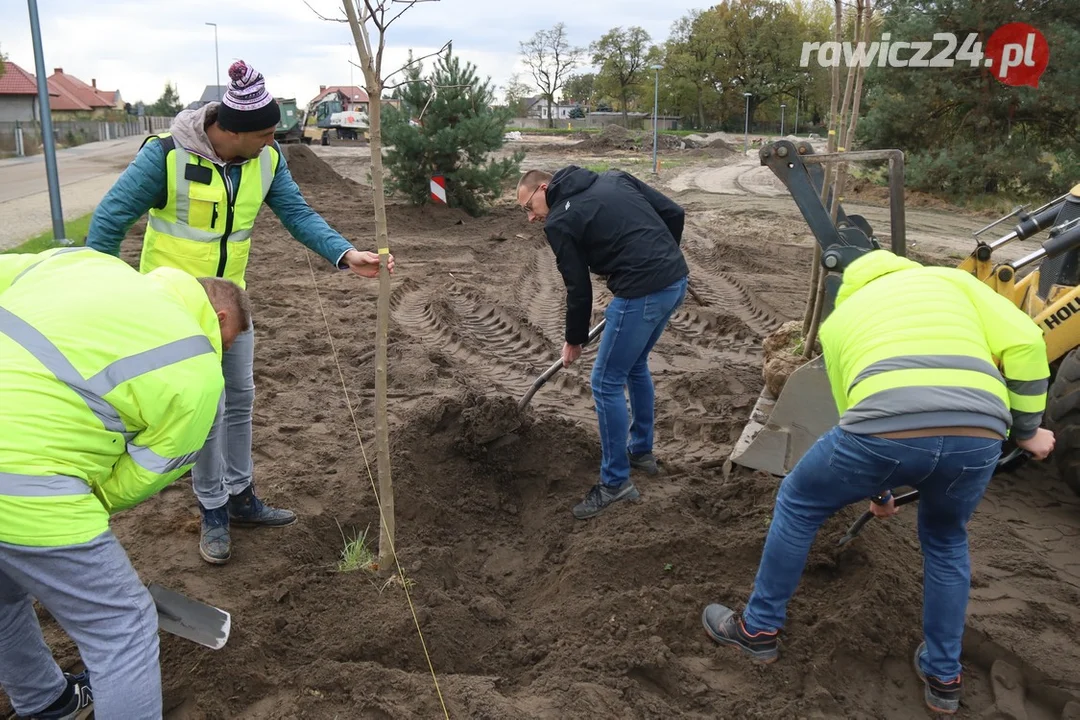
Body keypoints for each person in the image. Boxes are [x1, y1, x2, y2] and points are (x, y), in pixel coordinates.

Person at [699, 250, 1055, 715]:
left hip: (884, 430)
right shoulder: (952, 283)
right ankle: (944, 677)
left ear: (850, 288)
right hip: (981, 431)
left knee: (799, 501)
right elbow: (1027, 341)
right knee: (946, 541)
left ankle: (759, 630)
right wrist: (1026, 430)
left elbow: (855, 419)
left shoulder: (840, 322)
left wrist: (880, 489)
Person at [86, 60, 394, 565]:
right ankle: (213, 510)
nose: (274, 142)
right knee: (205, 410)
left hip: (233, 303)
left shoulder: (266, 161)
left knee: (241, 399)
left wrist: (344, 253)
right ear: (230, 130)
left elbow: (296, 213)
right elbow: (110, 219)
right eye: (266, 134)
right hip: (175, 311)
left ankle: (241, 496)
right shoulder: (164, 158)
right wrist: (101, 288)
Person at [0, 246, 250, 719]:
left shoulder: (83, 264)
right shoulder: (198, 371)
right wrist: (86, 505)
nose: (225, 353)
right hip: (25, 486)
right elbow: (142, 476)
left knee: (4, 595)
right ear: (218, 317)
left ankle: (46, 702)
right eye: (230, 342)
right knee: (122, 625)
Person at [517, 166, 689, 519]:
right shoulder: (615, 178)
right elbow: (674, 213)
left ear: (544, 188)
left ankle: (615, 483)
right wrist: (658, 260)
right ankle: (640, 451)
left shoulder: (559, 223)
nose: (531, 218)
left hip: (643, 291)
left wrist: (574, 340)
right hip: (675, 280)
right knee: (634, 365)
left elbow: (578, 287)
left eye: (528, 207)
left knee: (605, 380)